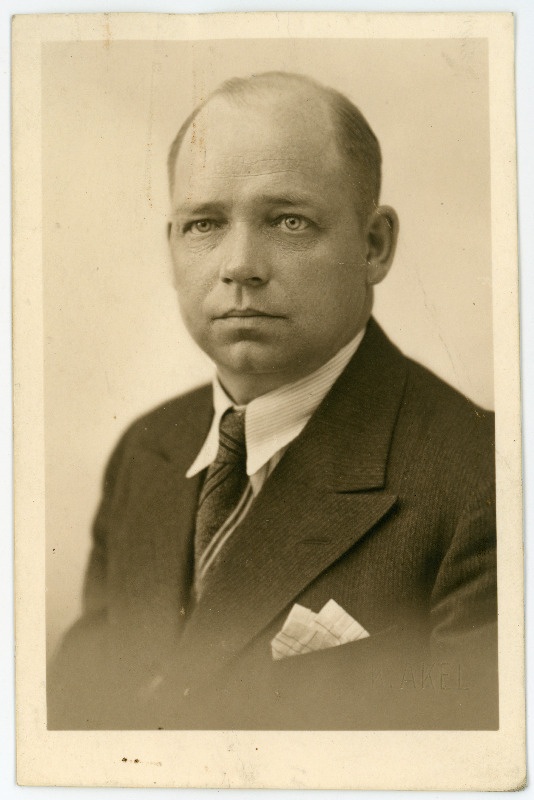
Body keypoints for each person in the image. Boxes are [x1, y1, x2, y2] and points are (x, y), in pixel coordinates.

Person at [48, 71, 497, 731]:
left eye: (289, 221)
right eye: (204, 224)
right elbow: (81, 715)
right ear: (172, 248)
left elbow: (468, 762)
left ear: (374, 246)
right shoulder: (147, 449)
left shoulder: (485, 476)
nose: (240, 265)